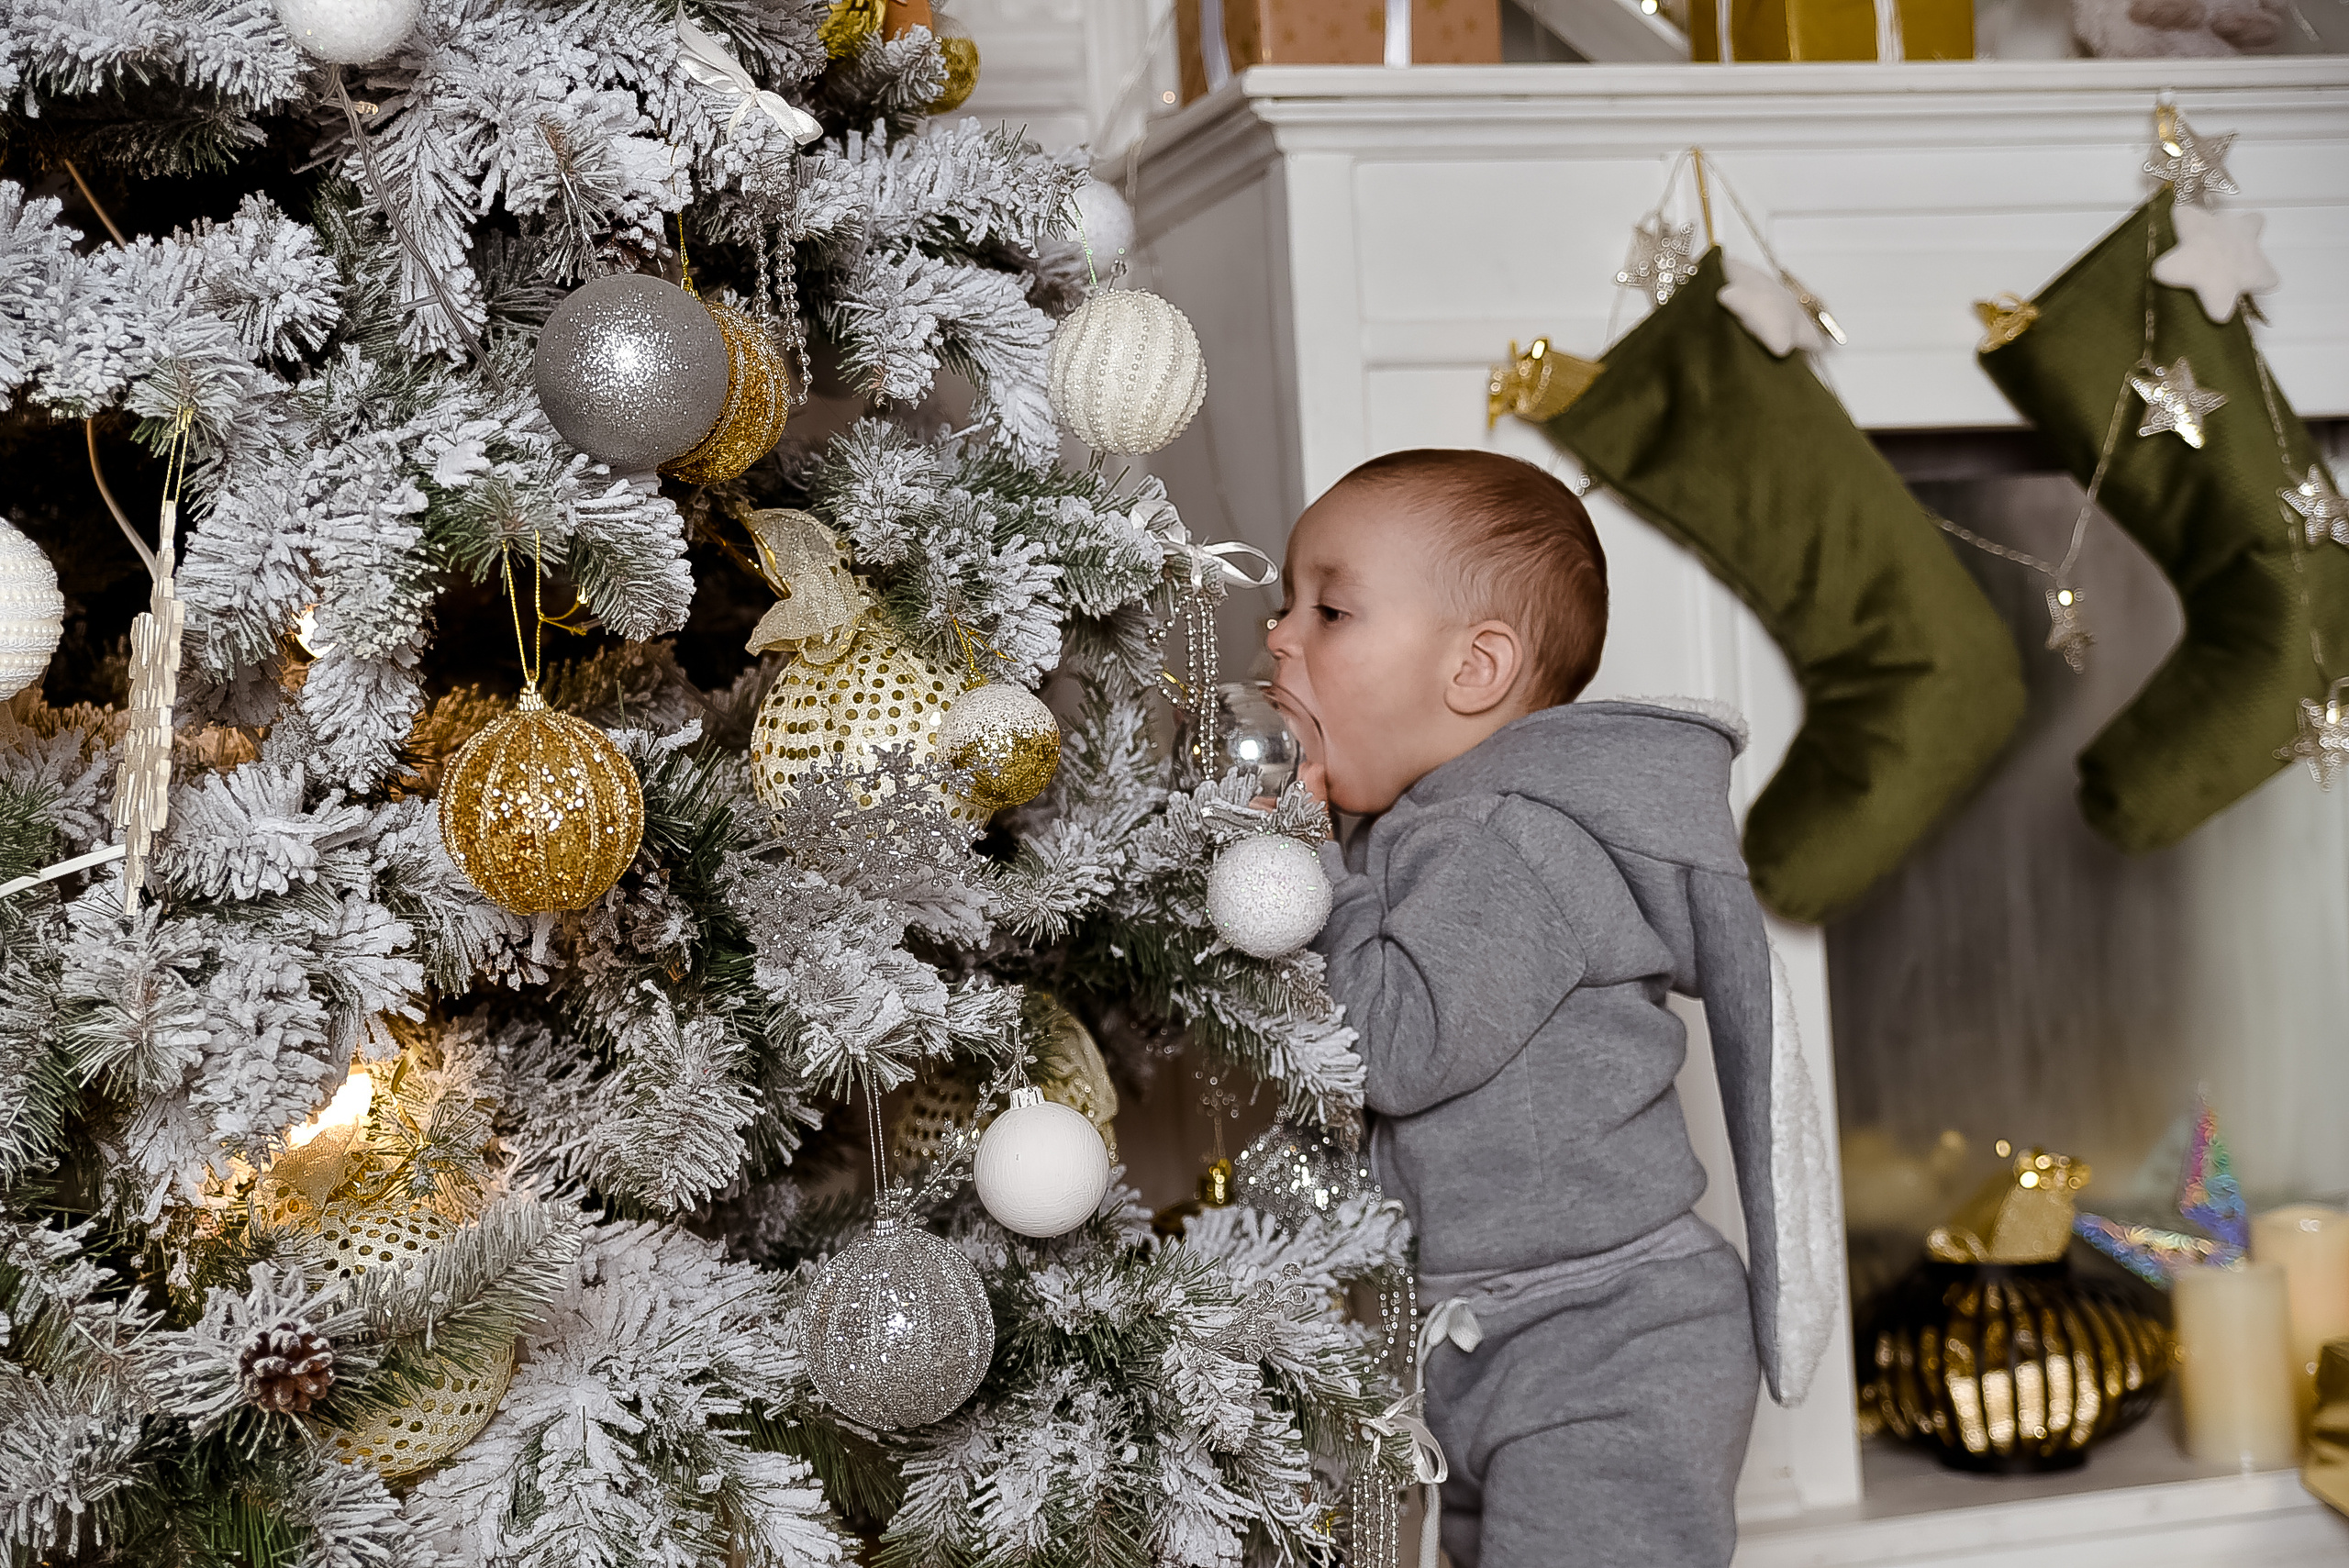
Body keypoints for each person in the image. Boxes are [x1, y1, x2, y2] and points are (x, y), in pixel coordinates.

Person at [1265, 449, 1830, 1568]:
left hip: (1604, 1341)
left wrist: (1290, 861)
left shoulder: (1512, 838)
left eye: (1328, 607)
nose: (1281, 633)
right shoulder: (1424, 830)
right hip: (1489, 1333)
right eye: (1284, 602)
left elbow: (1386, 1044)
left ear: (1475, 668)